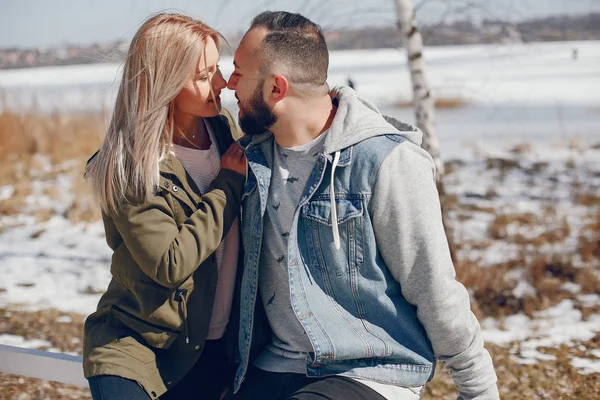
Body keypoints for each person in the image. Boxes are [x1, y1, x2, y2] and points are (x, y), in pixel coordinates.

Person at [225, 11, 499, 400]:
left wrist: (478, 390)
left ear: (276, 89)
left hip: (369, 368)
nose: (228, 83)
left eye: (239, 72)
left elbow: (433, 286)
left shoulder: (386, 161)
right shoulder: (248, 160)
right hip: (276, 365)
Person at [82, 13, 246, 400]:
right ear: (165, 82)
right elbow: (169, 263)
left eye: (217, 68)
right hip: (141, 349)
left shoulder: (223, 129)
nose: (220, 83)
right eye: (204, 76)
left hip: (217, 347)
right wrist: (227, 186)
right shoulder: (130, 166)